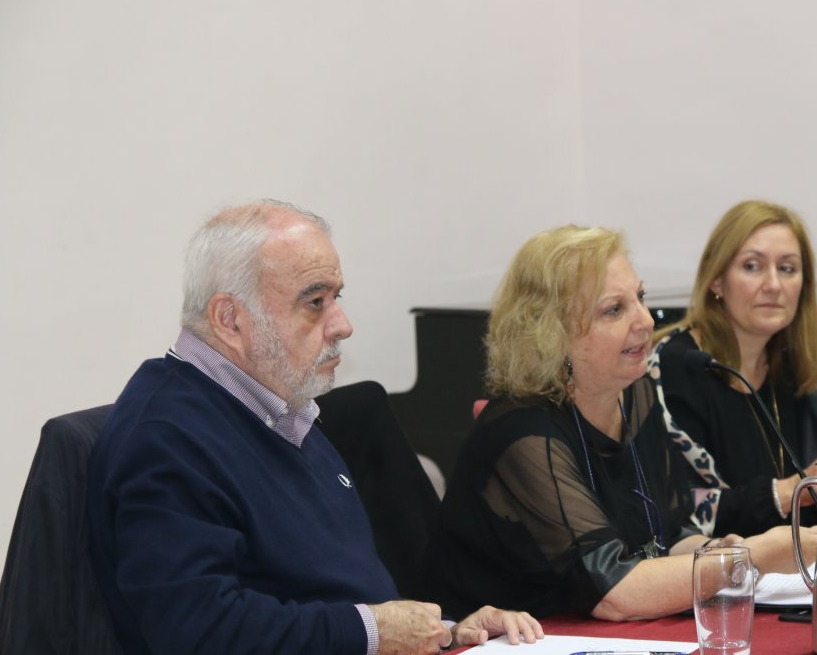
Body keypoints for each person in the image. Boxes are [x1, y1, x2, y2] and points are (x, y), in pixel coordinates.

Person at [86, 200, 542, 655]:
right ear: (230, 319)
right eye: (314, 302)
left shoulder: (277, 405)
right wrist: (374, 632)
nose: (342, 325)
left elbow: (336, 592)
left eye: (335, 298)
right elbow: (197, 630)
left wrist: (446, 630)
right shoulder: (169, 438)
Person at [424, 225, 817, 621]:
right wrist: (754, 558)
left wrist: (720, 552)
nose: (645, 320)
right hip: (504, 641)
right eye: (615, 309)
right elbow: (613, 592)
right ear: (549, 333)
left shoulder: (637, 394)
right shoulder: (521, 434)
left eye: (640, 297)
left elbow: (673, 534)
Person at [649, 201, 817, 537]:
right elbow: (678, 513)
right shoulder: (676, 367)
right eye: (752, 266)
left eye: (788, 269)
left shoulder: (792, 367)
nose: (774, 284)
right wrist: (790, 490)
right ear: (717, 280)